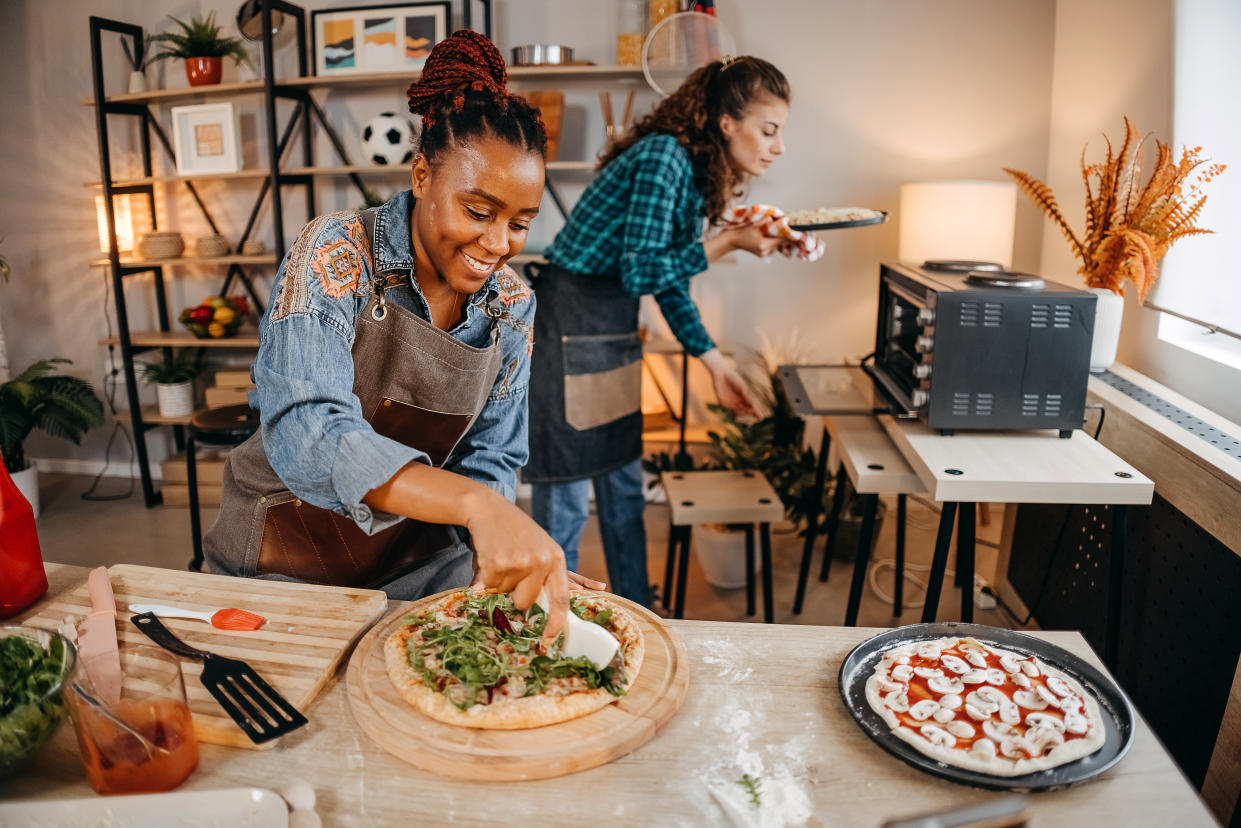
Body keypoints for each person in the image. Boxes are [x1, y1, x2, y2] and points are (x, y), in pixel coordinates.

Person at [205, 30, 594, 641]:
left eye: (520, 223)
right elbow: (308, 432)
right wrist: (476, 507)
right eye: (478, 211)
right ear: (420, 175)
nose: (498, 245)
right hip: (283, 575)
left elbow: (492, 457)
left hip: (419, 575)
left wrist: (499, 553)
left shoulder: (513, 305)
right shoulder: (336, 253)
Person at [525, 56, 792, 606]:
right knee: (569, 498)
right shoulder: (663, 156)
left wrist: (716, 366)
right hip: (568, 322)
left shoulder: (691, 172)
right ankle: (555, 619)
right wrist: (728, 243)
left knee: (624, 490)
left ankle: (634, 611)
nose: (777, 146)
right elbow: (641, 271)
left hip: (611, 328)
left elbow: (668, 281)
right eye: (769, 130)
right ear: (726, 122)